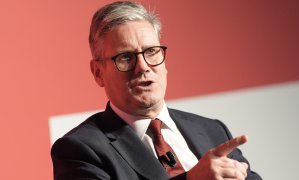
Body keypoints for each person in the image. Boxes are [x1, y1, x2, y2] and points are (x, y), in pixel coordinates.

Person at [51, 1, 262, 180]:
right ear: (98, 72)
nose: (142, 66)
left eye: (151, 51)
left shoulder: (211, 130)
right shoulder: (80, 150)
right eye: (125, 57)